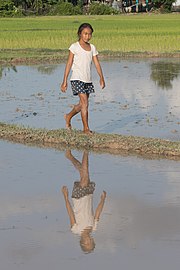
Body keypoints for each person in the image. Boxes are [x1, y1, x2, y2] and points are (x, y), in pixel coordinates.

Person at [60, 23, 105, 135]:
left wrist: (101, 77)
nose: (87, 36)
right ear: (80, 34)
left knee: (82, 104)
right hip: (77, 78)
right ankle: (86, 129)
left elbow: (97, 63)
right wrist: (64, 80)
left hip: (87, 80)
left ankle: (68, 116)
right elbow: (69, 63)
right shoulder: (74, 47)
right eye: (85, 34)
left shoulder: (92, 48)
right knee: (84, 104)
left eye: (89, 34)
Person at [61, 150, 106, 253]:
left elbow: (70, 213)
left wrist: (65, 197)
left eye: (87, 243)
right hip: (89, 194)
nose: (89, 240)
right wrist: (103, 200)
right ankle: (69, 156)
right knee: (83, 172)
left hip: (78, 197)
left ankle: (86, 149)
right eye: (91, 242)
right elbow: (98, 213)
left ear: (82, 242)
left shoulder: (76, 229)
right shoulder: (93, 227)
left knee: (85, 174)